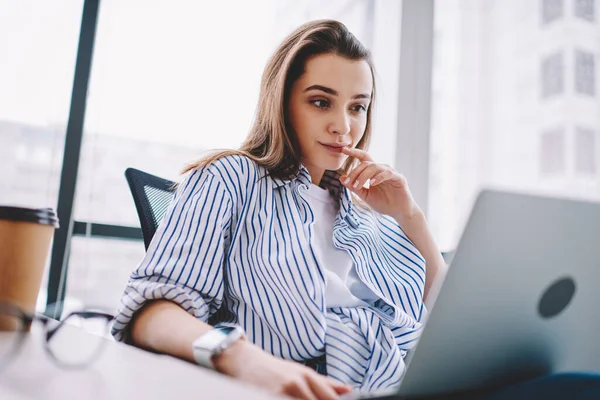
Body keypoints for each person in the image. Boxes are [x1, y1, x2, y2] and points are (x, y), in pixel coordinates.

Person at [112, 20, 600, 400]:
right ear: (283, 105)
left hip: (416, 380)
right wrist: (244, 359)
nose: (344, 126)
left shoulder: (366, 211)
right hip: (332, 384)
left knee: (582, 380)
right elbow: (151, 311)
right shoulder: (229, 179)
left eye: (357, 107)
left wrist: (411, 219)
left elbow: (447, 323)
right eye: (321, 102)